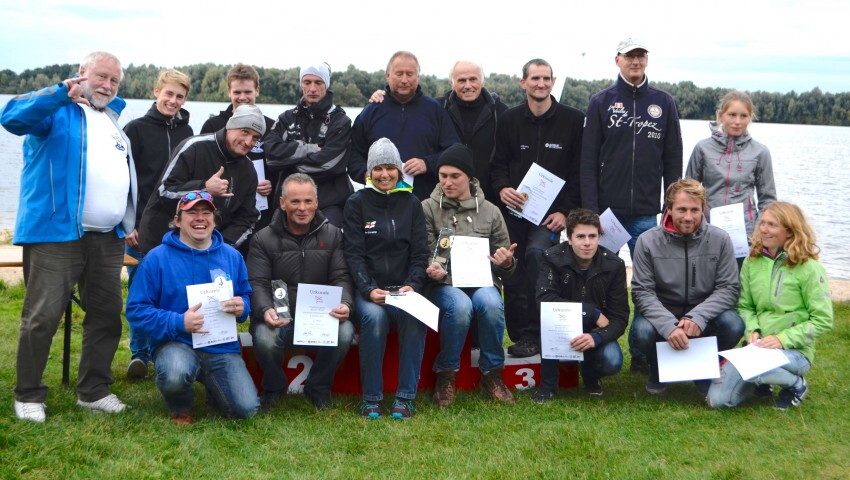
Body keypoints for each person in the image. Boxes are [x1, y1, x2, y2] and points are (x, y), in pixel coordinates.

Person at [2, 51, 137, 422]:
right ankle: (28, 394)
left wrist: (127, 219)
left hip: (107, 238)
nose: (107, 85)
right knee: (42, 317)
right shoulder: (56, 111)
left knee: (107, 315)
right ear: (81, 73)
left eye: (114, 80)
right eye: (101, 76)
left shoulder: (112, 119)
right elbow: (11, 116)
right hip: (56, 234)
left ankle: (93, 390)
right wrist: (59, 92)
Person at [580, 38, 683, 373]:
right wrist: (592, 211)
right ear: (618, 60)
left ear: (647, 60)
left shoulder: (663, 102)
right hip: (607, 215)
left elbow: (673, 159)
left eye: (641, 56)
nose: (635, 61)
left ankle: (641, 350)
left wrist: (671, 204)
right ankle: (595, 345)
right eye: (629, 56)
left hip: (646, 214)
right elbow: (587, 160)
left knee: (648, 285)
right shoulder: (601, 102)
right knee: (597, 280)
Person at [126, 191, 259, 424]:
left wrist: (243, 307)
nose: (200, 218)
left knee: (246, 410)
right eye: (192, 213)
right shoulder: (156, 258)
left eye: (206, 212)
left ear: (214, 220)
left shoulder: (232, 256)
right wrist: (178, 322)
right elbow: (136, 309)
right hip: (176, 343)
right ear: (177, 221)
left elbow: (245, 294)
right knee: (175, 373)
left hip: (220, 346)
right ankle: (180, 406)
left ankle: (215, 391)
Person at [490, 58, 584, 357]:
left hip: (551, 217)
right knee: (511, 265)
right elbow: (497, 165)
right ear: (523, 83)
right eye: (535, 78)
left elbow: (579, 172)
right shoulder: (509, 119)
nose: (541, 84)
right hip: (515, 213)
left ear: (552, 82)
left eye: (546, 78)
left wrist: (566, 212)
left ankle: (536, 332)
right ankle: (520, 335)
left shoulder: (573, 120)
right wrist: (503, 188)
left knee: (537, 257)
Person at [707, 202, 833, 409]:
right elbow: (745, 306)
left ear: (790, 231)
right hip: (756, 348)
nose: (764, 229)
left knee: (757, 368)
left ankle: (796, 384)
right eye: (763, 223)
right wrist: (752, 330)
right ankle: (763, 381)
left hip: (795, 351)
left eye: (772, 225)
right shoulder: (751, 262)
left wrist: (782, 339)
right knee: (717, 401)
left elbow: (823, 320)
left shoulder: (810, 269)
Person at [421, 144, 517, 407]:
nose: (448, 182)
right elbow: (423, 252)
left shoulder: (491, 211)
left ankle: (492, 373)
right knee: (461, 306)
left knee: (491, 302)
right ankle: (446, 374)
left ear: (470, 178)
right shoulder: (427, 208)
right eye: (443, 176)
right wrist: (432, 268)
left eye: (455, 176)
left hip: (482, 282)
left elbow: (505, 263)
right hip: (443, 284)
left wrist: (506, 262)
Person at [248, 173, 354, 410]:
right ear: (282, 203)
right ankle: (274, 387)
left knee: (345, 331)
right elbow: (258, 282)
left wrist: (345, 303)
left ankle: (318, 387)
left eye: (308, 201)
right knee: (265, 338)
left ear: (317, 203)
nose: (302, 208)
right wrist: (265, 310)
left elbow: (341, 277)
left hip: (319, 317)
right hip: (278, 316)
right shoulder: (262, 239)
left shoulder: (334, 235)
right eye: (295, 201)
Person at [631, 179, 744, 395]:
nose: (688, 217)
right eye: (681, 209)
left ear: (703, 209)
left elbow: (729, 288)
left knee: (733, 324)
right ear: (669, 208)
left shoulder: (720, 239)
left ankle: (704, 367)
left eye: (695, 210)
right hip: (664, 310)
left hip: (703, 312)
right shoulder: (647, 241)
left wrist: (698, 317)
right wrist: (668, 326)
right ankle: (658, 368)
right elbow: (642, 292)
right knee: (642, 331)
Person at [343, 138, 430, 419]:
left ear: (399, 171)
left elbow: (420, 253)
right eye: (377, 168)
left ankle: (405, 397)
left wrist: (412, 285)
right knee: (374, 318)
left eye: (390, 168)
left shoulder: (412, 203)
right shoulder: (356, 203)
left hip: (404, 289)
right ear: (369, 172)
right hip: (369, 290)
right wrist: (369, 289)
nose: (384, 175)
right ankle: (371, 398)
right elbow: (354, 254)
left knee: (414, 318)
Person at [123, 68, 194, 379]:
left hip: (176, 227)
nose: (173, 101)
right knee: (141, 289)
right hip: (141, 227)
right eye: (169, 94)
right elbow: (123, 181)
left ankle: (166, 349)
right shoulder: (135, 129)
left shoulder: (187, 132)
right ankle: (138, 353)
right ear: (156, 92)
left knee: (173, 288)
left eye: (180, 96)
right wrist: (129, 223)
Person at [369, 60, 508, 204]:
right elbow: (405, 109)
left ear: (482, 81)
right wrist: (385, 97)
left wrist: (503, 187)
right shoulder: (435, 109)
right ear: (452, 83)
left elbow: (507, 159)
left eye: (473, 79)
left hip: (489, 198)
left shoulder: (501, 113)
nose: (468, 85)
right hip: (443, 199)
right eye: (461, 80)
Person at [136, 104, 264, 255]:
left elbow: (247, 217)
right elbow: (164, 192)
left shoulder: (248, 170)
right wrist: (205, 188)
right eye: (245, 132)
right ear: (230, 127)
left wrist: (221, 245)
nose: (248, 142)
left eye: (255, 138)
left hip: (208, 251)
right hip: (163, 243)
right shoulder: (195, 147)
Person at [533, 209, 629, 402]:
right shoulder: (551, 257)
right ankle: (548, 386)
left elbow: (620, 317)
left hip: (594, 331)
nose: (587, 242)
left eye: (592, 236)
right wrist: (590, 312)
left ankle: (591, 377)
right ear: (569, 238)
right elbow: (544, 300)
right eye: (580, 236)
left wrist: (596, 337)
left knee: (612, 360)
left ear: (599, 237)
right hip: (559, 326)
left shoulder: (615, 265)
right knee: (549, 324)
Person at [348, 51, 459, 200]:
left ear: (418, 77)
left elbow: (453, 152)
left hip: (425, 202)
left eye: (410, 74)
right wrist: (365, 174)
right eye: (399, 74)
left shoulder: (435, 111)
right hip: (378, 203)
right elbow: (353, 154)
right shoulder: (371, 112)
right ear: (388, 75)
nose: (404, 80)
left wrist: (427, 163)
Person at [264, 63, 352, 227]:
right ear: (301, 84)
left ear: (326, 85)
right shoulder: (286, 119)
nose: (312, 88)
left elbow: (328, 165)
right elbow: (270, 157)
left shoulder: (341, 122)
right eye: (307, 82)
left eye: (318, 82)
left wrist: (288, 161)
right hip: (289, 203)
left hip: (330, 203)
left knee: (329, 237)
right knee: (270, 236)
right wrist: (308, 149)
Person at [686, 90, 777, 243]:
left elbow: (768, 200)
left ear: (750, 118)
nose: (737, 121)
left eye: (743, 116)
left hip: (746, 234)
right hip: (707, 230)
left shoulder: (760, 152)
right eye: (732, 115)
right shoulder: (702, 148)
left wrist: (758, 232)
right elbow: (688, 193)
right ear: (721, 115)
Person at [201, 64, 277, 236]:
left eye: (248, 92)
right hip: (221, 210)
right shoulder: (213, 125)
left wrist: (271, 183)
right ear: (229, 92)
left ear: (257, 91)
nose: (242, 97)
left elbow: (277, 165)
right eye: (237, 92)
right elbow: (203, 166)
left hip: (260, 210)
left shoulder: (271, 126)